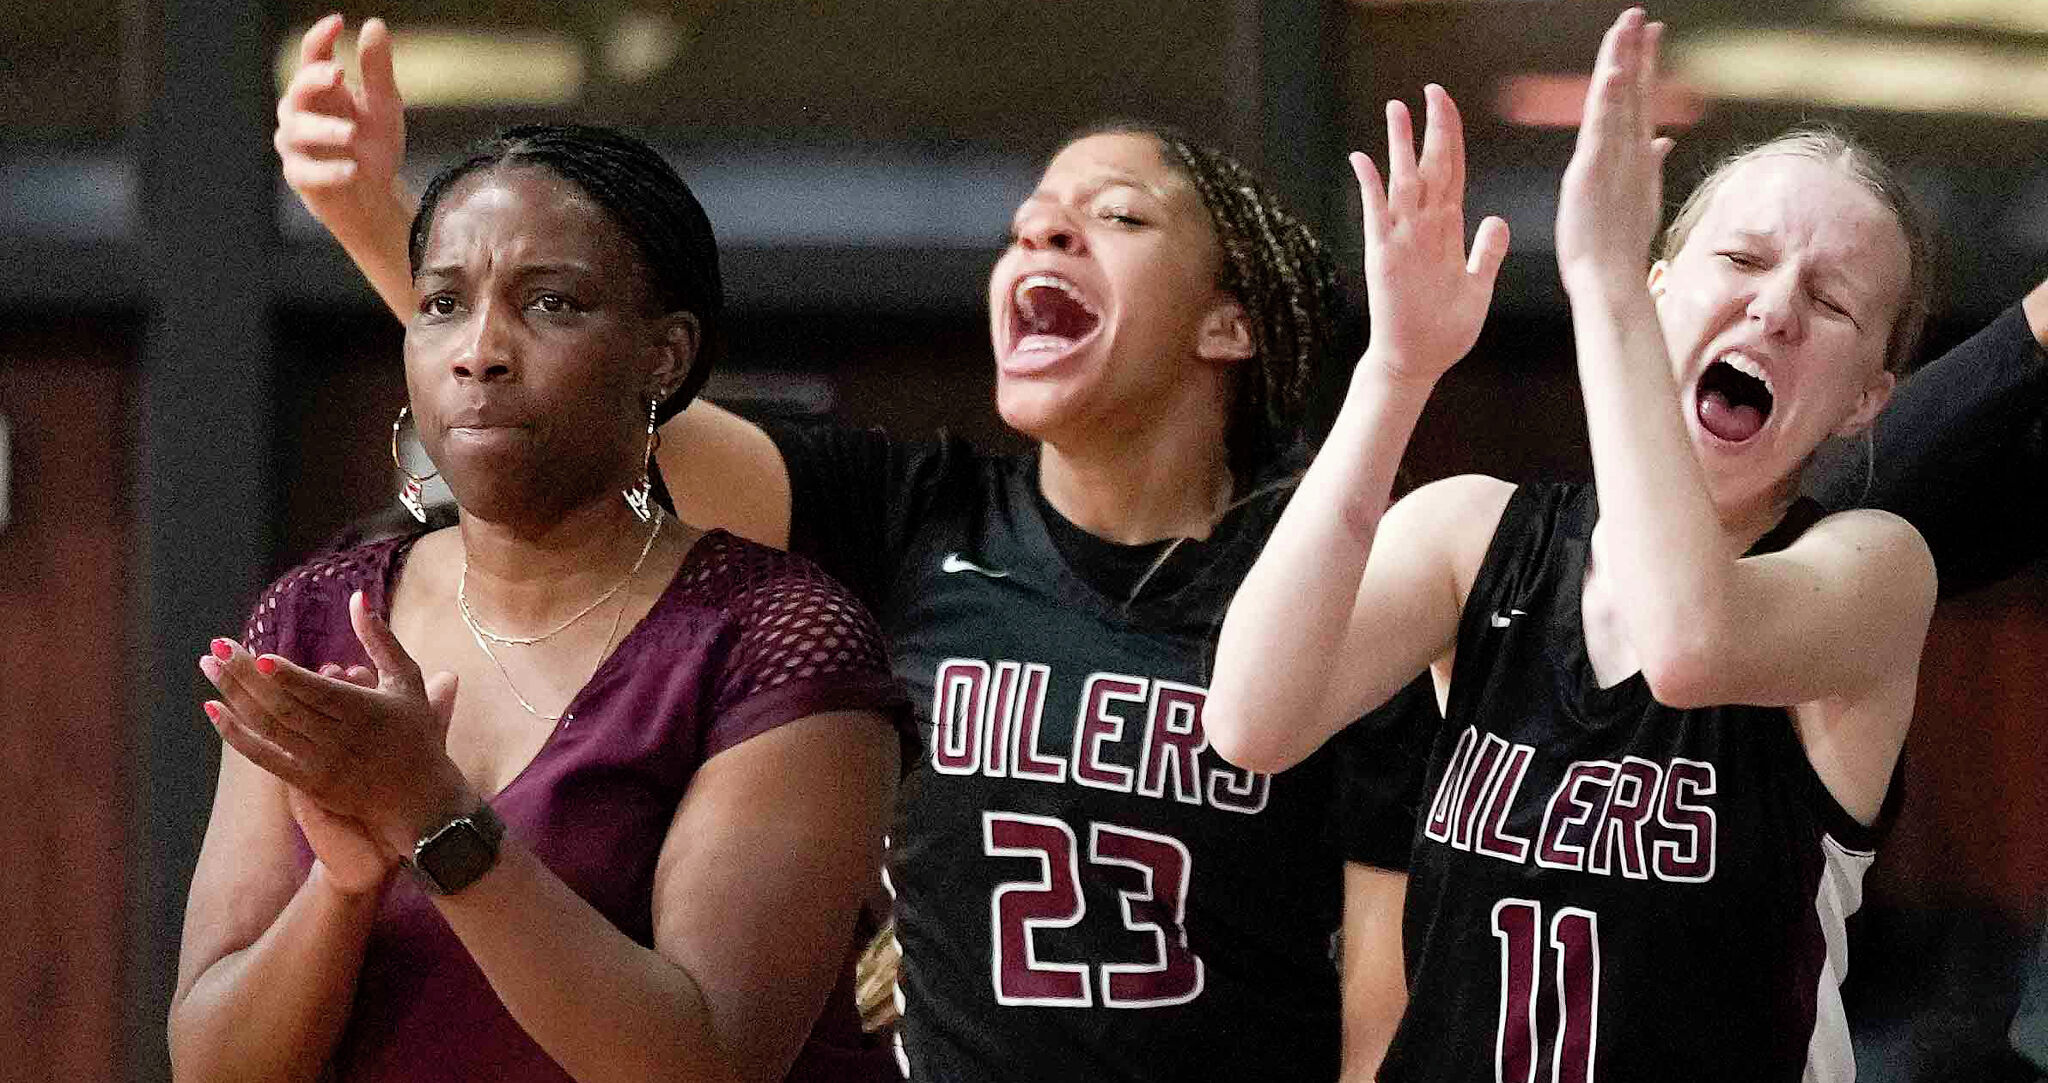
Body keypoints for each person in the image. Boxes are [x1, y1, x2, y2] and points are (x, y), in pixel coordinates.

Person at [272, 14, 1416, 1080]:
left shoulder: (1337, 587)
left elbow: (1382, 987)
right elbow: (613, 408)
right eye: (1027, 222)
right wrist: (371, 208)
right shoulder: (920, 514)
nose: (1044, 228)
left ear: (1229, 325)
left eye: (1117, 215)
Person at [1209, 10, 1940, 1081]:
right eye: (1738, 258)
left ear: (1862, 401)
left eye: (1828, 301)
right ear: (1660, 285)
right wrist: (1396, 371)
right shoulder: (1473, 534)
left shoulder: (1870, 570)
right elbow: (1249, 721)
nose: (1774, 308)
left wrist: (1596, 280)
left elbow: (1688, 642)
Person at [171, 123, 911, 1083]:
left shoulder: (777, 638)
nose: (480, 351)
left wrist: (432, 814)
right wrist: (343, 889)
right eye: (442, 303)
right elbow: (213, 1067)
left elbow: (703, 1061)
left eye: (550, 303)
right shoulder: (313, 616)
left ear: (664, 356)